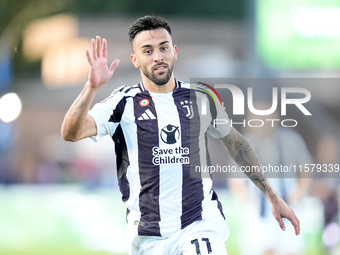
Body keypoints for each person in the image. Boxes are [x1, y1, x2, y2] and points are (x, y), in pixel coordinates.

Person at [61, 15, 300, 255]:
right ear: (135, 59)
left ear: (174, 51)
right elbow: (71, 133)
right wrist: (91, 87)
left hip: (199, 225)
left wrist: (272, 196)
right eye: (148, 51)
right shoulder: (122, 103)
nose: (158, 56)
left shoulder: (202, 97)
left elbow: (236, 144)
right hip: (148, 237)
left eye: (163, 48)